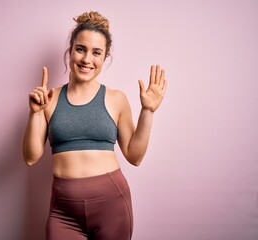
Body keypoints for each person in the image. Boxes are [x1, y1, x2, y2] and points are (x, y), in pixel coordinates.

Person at [22, 11, 167, 240]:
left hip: (112, 207)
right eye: (81, 49)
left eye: (96, 52)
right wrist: (35, 113)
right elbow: (30, 157)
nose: (87, 59)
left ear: (104, 57)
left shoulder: (116, 98)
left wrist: (147, 111)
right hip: (63, 212)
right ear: (70, 51)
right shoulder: (49, 100)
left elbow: (135, 156)